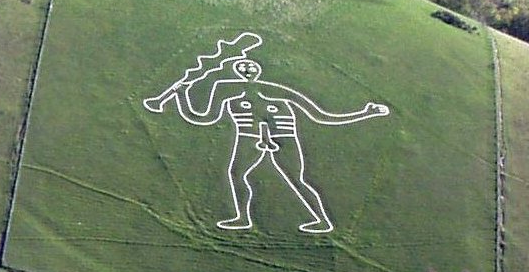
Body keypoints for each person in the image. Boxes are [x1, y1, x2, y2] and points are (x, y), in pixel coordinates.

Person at [144, 35, 388, 233]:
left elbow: (321, 116)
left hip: (284, 138)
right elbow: (204, 118)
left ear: (258, 69)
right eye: (242, 66)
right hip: (248, 139)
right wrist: (181, 96)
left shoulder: (277, 91)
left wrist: (366, 113)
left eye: (250, 65)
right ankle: (242, 218)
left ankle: (321, 220)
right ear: (237, 71)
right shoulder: (227, 90)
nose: (247, 68)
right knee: (237, 174)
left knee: (296, 179)